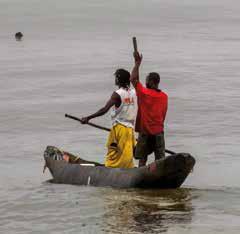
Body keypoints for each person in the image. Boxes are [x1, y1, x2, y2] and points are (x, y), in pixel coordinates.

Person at [81, 69, 136, 168]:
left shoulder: (117, 94)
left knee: (113, 151)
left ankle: (111, 168)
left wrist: (88, 118)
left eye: (116, 77)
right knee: (126, 153)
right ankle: (126, 168)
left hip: (120, 129)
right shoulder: (133, 92)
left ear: (119, 79)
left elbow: (104, 109)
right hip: (130, 129)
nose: (115, 79)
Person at [130, 51, 168, 167]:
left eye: (147, 80)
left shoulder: (144, 93)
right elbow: (163, 114)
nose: (145, 82)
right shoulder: (164, 96)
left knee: (142, 159)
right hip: (158, 131)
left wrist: (137, 64)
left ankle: (141, 173)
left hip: (146, 131)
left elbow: (133, 79)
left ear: (151, 82)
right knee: (160, 159)